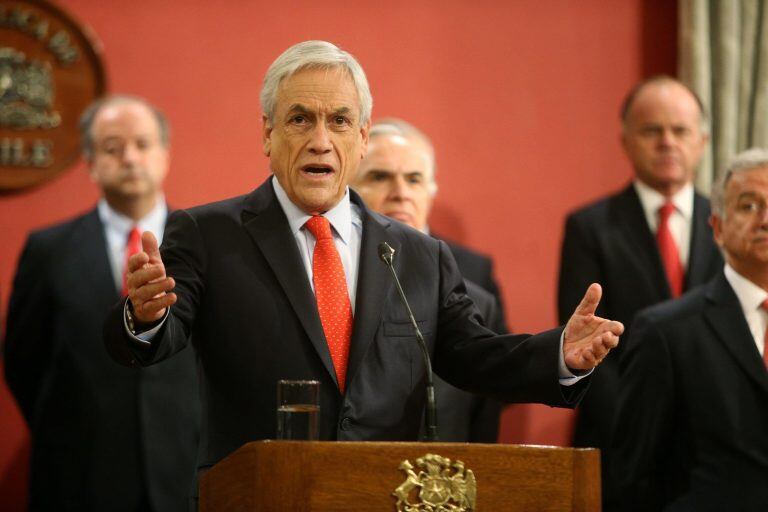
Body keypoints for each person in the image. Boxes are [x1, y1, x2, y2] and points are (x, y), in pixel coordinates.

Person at [104, 41, 623, 489]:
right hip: (259, 494)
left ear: (362, 138)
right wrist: (146, 317)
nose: (320, 139)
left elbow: (474, 356)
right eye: (300, 118)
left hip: (383, 493)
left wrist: (560, 354)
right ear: (267, 133)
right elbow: (162, 336)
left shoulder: (418, 254)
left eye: (339, 121)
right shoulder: (209, 234)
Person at [3, 95, 199, 511]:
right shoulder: (49, 249)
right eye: (112, 148)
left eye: (143, 145)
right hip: (78, 474)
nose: (130, 158)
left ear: (164, 156)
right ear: (90, 162)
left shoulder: (204, 245)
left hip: (186, 472)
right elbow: (24, 361)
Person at [556, 76, 723, 505]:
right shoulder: (590, 227)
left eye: (680, 131)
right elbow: (584, 344)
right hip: (620, 446)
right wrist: (640, 425)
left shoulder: (728, 227)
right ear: (626, 141)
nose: (667, 142)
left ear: (702, 141)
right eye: (652, 131)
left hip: (717, 446)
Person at [611, 148, 768, 511]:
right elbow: (632, 473)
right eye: (748, 206)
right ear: (717, 228)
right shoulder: (666, 331)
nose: (764, 220)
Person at [353, 118, 504, 442]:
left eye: (414, 179)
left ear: (431, 191)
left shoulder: (475, 286)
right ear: (349, 190)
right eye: (379, 177)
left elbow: (486, 403)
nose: (400, 193)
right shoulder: (331, 275)